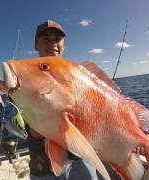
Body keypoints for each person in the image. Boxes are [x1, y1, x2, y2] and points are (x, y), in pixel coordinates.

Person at [28, 19, 100, 180]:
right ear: (36, 45)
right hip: (43, 162)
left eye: (57, 39)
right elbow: (33, 130)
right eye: (45, 39)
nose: (52, 43)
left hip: (80, 159)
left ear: (64, 45)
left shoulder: (81, 76)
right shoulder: (26, 78)